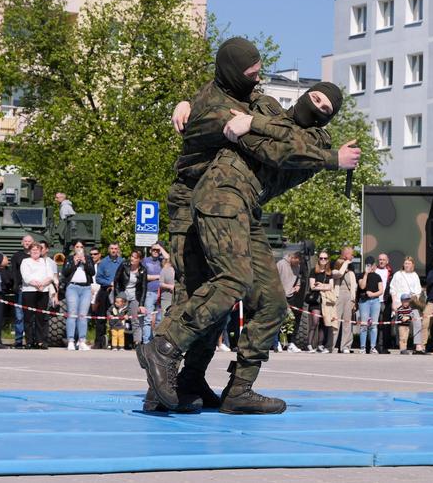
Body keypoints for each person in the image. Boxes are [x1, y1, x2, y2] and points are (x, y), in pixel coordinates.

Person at [139, 38, 359, 414]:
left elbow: (274, 146)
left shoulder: (308, 137)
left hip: (244, 207)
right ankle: (166, 366)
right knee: (207, 289)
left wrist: (251, 126)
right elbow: (223, 108)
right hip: (209, 200)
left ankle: (235, 387)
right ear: (304, 95)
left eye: (326, 108)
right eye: (316, 98)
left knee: (270, 304)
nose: (317, 107)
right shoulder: (265, 107)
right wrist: (188, 104)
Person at [61, 240, 95, 351]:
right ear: (74, 248)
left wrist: (85, 262)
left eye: (81, 246)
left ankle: (82, 341)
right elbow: (65, 272)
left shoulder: (88, 258)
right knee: (72, 313)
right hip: (72, 287)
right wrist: (74, 263)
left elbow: (92, 272)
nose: (79, 248)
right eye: (77, 246)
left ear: (84, 248)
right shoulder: (69, 258)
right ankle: (71, 340)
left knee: (83, 315)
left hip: (86, 288)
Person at [20, 242, 54, 349]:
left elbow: (50, 276)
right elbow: (26, 276)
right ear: (29, 251)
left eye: (37, 250)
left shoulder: (45, 262)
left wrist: (43, 284)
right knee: (28, 317)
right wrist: (36, 284)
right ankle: (29, 341)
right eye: (33, 250)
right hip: (29, 291)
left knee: (41, 318)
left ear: (41, 251)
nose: (35, 251)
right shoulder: (25, 261)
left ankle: (40, 341)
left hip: (43, 291)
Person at [389, 256, 423, 353]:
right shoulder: (398, 274)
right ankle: (403, 347)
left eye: (409, 263)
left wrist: (414, 297)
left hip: (412, 303)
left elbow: (418, 290)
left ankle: (418, 346)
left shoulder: (415, 275)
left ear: (412, 264)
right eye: (406, 263)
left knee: (417, 323)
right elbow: (393, 289)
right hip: (401, 303)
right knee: (403, 326)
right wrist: (394, 302)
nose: (407, 265)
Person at [114, 250, 148, 345]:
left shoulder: (143, 270)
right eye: (132, 256)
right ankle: (116, 342)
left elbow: (144, 288)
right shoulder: (124, 265)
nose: (132, 259)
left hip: (135, 296)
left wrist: (141, 304)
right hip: (123, 295)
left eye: (135, 257)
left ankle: (137, 341)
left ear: (140, 259)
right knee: (119, 319)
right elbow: (116, 280)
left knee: (135, 319)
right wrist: (118, 296)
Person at [94, 243, 123, 349]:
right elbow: (98, 278)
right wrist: (109, 283)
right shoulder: (103, 262)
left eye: (115, 248)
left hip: (118, 293)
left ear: (118, 250)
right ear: (108, 250)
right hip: (105, 291)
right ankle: (99, 342)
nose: (114, 250)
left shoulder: (122, 262)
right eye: (112, 248)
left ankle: (116, 342)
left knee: (118, 318)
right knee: (101, 317)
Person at [306, 250, 334, 353]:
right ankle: (309, 344)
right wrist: (323, 287)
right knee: (315, 322)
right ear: (318, 259)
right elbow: (312, 286)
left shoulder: (329, 272)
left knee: (323, 323)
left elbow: (331, 286)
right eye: (321, 258)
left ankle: (320, 345)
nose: (323, 260)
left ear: (327, 260)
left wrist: (321, 285)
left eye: (325, 258)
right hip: (315, 300)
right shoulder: (314, 271)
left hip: (325, 301)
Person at [10, 234, 34, 349]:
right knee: (19, 316)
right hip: (20, 288)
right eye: (25, 241)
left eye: (29, 241)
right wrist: (15, 285)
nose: (27, 243)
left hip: (33, 289)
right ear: (22, 242)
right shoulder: (17, 256)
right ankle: (18, 340)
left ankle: (32, 340)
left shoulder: (36, 255)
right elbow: (13, 271)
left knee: (31, 315)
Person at [277, 251, 303, 353]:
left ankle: (291, 343)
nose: (297, 265)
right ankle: (278, 342)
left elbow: (297, 278)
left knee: (291, 320)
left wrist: (298, 285)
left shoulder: (298, 266)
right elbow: (274, 279)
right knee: (279, 320)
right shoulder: (281, 264)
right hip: (279, 295)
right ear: (292, 257)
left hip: (291, 295)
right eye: (296, 262)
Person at [142, 243, 169, 342]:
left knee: (160, 319)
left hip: (162, 293)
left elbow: (169, 258)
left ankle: (157, 341)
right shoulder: (145, 261)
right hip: (150, 292)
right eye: (154, 249)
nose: (155, 251)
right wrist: (159, 276)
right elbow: (145, 277)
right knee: (148, 319)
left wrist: (161, 247)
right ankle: (146, 342)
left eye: (157, 250)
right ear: (150, 250)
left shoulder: (162, 260)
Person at [332, 246, 357, 354]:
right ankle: (331, 345)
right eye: (351, 254)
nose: (353, 256)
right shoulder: (336, 265)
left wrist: (353, 300)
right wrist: (345, 264)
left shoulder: (351, 269)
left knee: (347, 322)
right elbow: (338, 274)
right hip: (338, 295)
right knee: (336, 322)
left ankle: (345, 346)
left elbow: (354, 286)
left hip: (349, 297)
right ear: (346, 254)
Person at [357, 256, 384, 354]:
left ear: (374, 265)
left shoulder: (377, 276)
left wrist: (373, 294)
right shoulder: (361, 275)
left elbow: (381, 290)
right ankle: (362, 347)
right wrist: (366, 274)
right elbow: (362, 286)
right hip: (364, 302)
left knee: (373, 325)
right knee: (364, 325)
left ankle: (373, 347)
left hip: (375, 301)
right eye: (367, 265)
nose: (369, 266)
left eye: (371, 265)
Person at [374, 253, 393, 353]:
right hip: (374, 301)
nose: (381, 261)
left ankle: (382, 346)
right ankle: (372, 346)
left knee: (384, 325)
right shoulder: (374, 271)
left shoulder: (390, 272)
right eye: (380, 259)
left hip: (385, 301)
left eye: (383, 260)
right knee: (374, 325)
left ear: (387, 261)